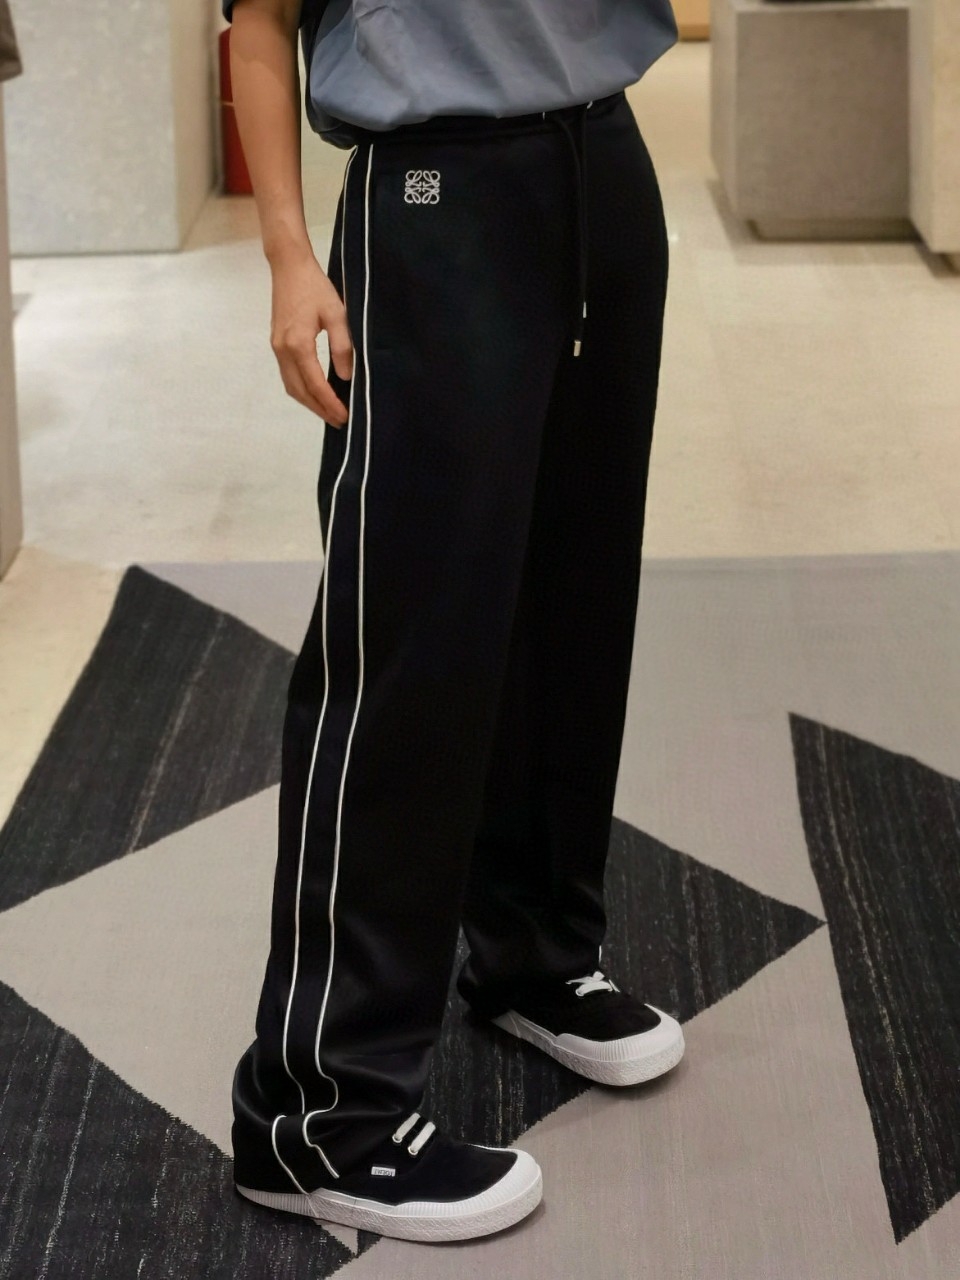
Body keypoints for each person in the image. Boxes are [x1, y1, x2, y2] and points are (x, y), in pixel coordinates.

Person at [223, 0, 684, 1245]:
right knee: (408, 641)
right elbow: (259, 22)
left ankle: (534, 951)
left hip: (602, 163)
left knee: (573, 601)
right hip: (435, 192)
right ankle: (319, 1108)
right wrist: (289, 258)